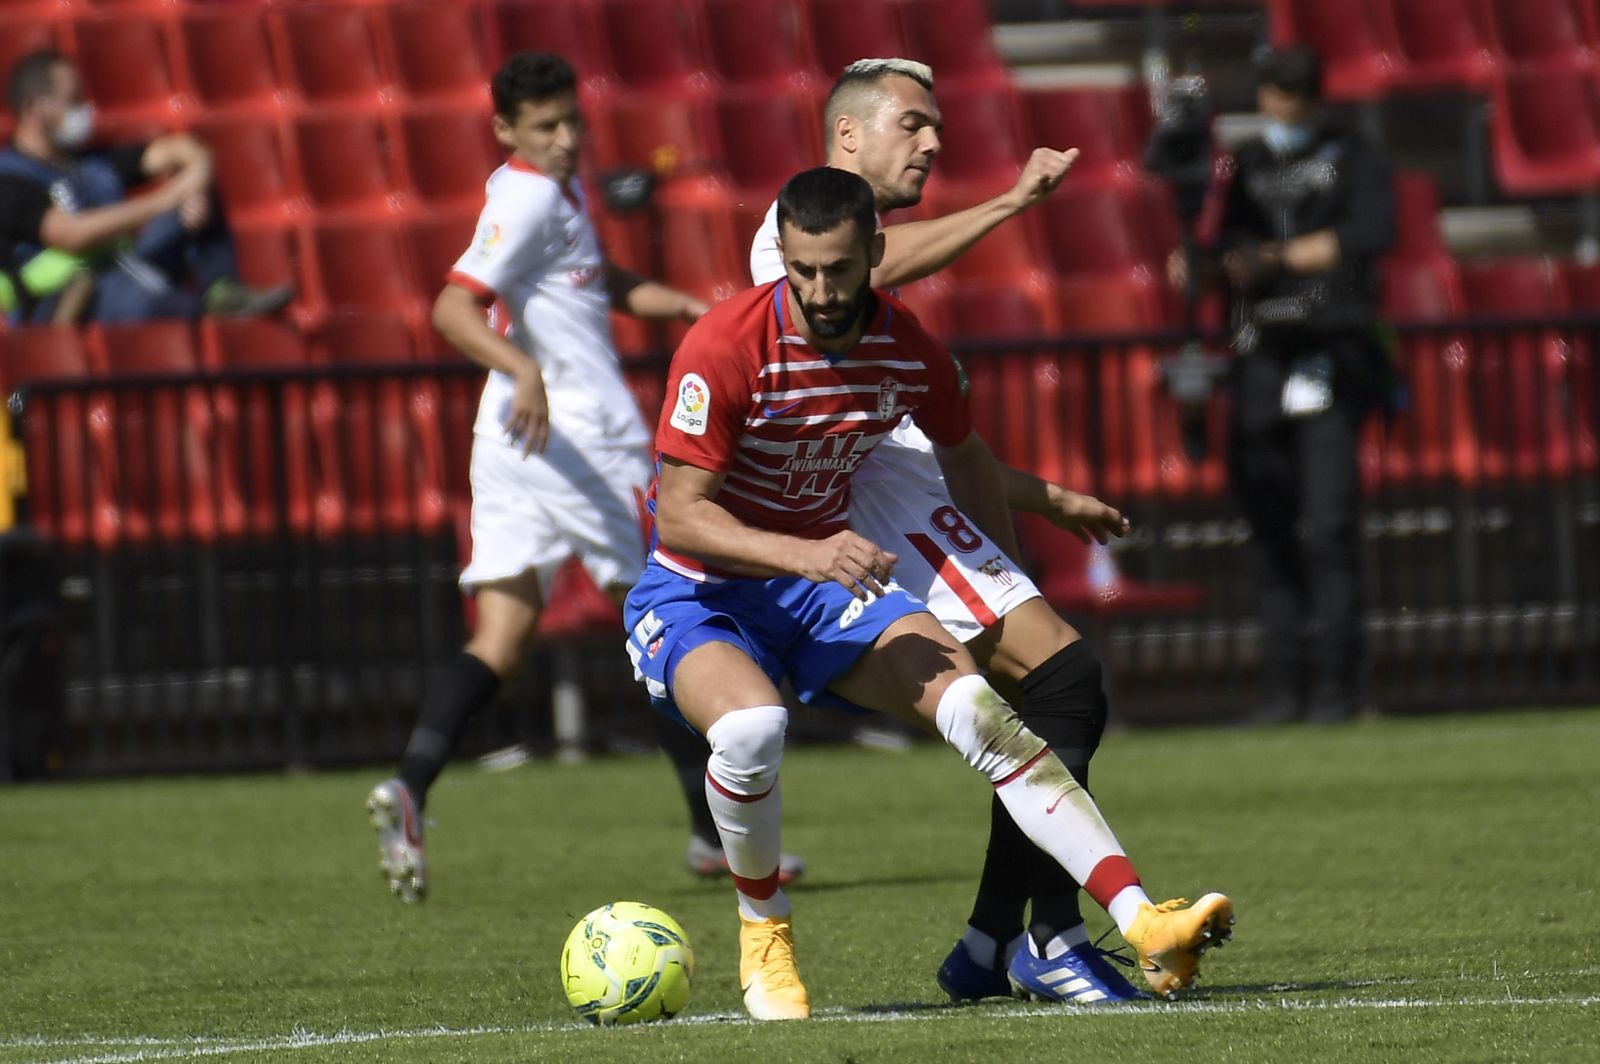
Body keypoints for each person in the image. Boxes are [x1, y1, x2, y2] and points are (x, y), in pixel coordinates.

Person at [626, 165, 1233, 1020]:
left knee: (982, 712)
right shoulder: (726, 345)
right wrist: (804, 554)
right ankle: (764, 931)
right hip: (702, 593)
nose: (819, 290)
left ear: (874, 252)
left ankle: (1142, 922)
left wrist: (1009, 574)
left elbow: (960, 462)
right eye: (801, 271)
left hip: (819, 589)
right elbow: (680, 520)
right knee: (753, 728)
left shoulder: (906, 349)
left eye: (837, 269)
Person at [745, 57, 1145, 1005]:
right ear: (848, 135)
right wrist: (1013, 203)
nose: (932, 144)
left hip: (904, 501)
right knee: (1060, 685)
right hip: (872, 520)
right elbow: (893, 268)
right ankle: (1038, 938)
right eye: (913, 124)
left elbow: (925, 437)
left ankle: (991, 943)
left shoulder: (850, 268)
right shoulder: (794, 239)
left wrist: (1044, 496)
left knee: (1050, 698)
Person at [364, 52, 719, 903]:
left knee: (502, 642)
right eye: (546, 128)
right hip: (579, 435)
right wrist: (522, 367)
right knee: (671, 622)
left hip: (515, 440)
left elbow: (586, 285)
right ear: (506, 130)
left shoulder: (549, 188)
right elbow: (452, 306)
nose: (566, 140)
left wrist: (670, 303)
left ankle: (410, 785)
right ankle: (718, 836)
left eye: (572, 122)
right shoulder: (526, 197)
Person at [1185, 46, 1394, 725]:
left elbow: (1370, 233)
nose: (1288, 109)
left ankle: (1340, 690)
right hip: (1261, 361)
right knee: (1270, 529)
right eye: (1278, 93)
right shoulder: (1243, 167)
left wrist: (1271, 259)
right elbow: (1211, 253)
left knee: (1330, 528)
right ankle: (1282, 691)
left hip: (1330, 353)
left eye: (1299, 95)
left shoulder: (1354, 154)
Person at [0, 50, 291, 325]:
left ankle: (222, 290)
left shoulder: (93, 162)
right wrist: (164, 199)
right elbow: (70, 234)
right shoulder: (9, 179)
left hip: (123, 267)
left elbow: (184, 150)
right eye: (73, 100)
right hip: (66, 296)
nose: (84, 110)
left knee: (198, 193)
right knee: (176, 311)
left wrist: (195, 187)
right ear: (33, 107)